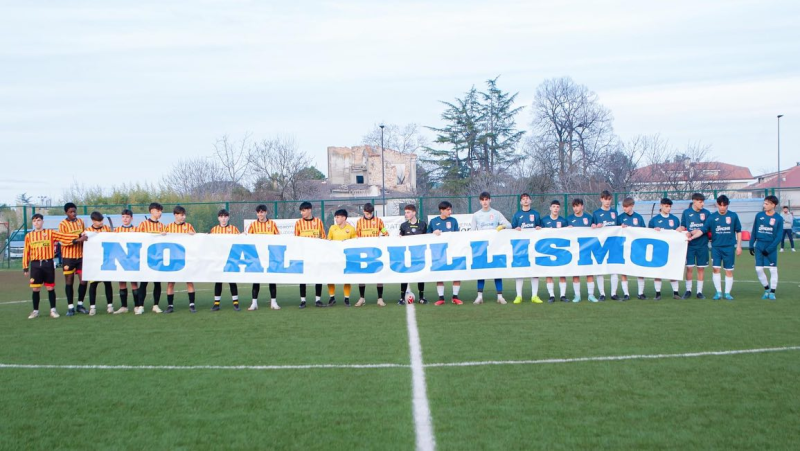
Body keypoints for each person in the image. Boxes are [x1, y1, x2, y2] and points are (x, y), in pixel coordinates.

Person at [23, 213, 84, 319]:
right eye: (34, 221)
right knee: (36, 289)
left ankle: (53, 310)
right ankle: (35, 311)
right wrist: (25, 266)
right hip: (36, 264)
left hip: (48, 263)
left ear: (42, 221)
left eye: (38, 220)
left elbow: (63, 236)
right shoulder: (29, 236)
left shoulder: (49, 233)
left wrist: (78, 236)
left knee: (50, 287)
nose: (36, 223)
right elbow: (26, 251)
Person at [695, 195, 742, 300]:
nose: (722, 208)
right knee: (716, 269)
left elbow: (738, 231)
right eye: (720, 205)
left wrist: (739, 246)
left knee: (729, 271)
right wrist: (692, 237)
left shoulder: (733, 216)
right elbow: (703, 230)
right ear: (717, 205)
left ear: (727, 205)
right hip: (716, 248)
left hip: (729, 248)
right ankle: (718, 292)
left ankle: (727, 293)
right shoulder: (712, 217)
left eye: (724, 206)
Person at [471, 192, 511, 305]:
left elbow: (509, 225)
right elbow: (471, 232)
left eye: (486, 199)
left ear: (490, 200)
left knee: (497, 271)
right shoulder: (476, 215)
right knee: (481, 271)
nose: (485, 202)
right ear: (480, 201)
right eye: (482, 200)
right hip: (482, 248)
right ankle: (479, 296)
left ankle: (500, 296)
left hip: (495, 247)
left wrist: (502, 226)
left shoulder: (496, 213)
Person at [246, 204, 281, 310]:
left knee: (272, 279)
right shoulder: (252, 225)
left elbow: (278, 238)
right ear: (257, 213)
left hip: (270, 256)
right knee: (256, 279)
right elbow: (248, 240)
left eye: (262, 212)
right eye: (258, 212)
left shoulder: (272, 224)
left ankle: (273, 302)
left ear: (266, 212)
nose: (260, 214)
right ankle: (254, 303)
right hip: (257, 257)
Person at [428, 201, 463, 306]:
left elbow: (457, 235)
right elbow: (427, 235)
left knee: (456, 273)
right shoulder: (434, 221)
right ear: (441, 210)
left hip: (452, 251)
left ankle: (455, 297)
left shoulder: (453, 221)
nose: (450, 212)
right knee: (440, 274)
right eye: (447, 210)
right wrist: (433, 233)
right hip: (438, 252)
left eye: (450, 209)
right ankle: (441, 298)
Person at [164, 206, 197, 313]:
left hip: (185, 259)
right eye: (181, 215)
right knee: (170, 283)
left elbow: (196, 241)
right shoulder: (168, 227)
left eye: (184, 215)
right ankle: (170, 306)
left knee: (189, 281)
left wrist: (194, 236)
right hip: (173, 260)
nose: (183, 217)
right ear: (175, 215)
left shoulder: (188, 226)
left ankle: (192, 305)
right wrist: (162, 236)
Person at [648, 198, 682, 300]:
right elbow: (648, 234)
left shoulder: (675, 219)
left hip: (673, 249)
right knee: (658, 271)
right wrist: (654, 231)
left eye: (670, 206)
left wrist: (680, 231)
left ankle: (676, 293)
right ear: (661, 206)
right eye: (666, 206)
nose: (668, 208)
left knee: (673, 270)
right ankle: (658, 293)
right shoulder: (654, 220)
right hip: (658, 250)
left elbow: (679, 234)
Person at [136, 202, 167, 314]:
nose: (160, 213)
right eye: (158, 210)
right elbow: (137, 238)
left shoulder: (162, 226)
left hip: (157, 258)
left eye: (161, 211)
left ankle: (156, 305)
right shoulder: (143, 224)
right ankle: (140, 306)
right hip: (145, 258)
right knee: (143, 283)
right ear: (152, 211)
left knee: (157, 282)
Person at [512, 193, 543, 304]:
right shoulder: (517, 215)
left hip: (533, 248)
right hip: (520, 247)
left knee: (534, 271)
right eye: (523, 199)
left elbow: (541, 228)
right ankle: (518, 296)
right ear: (521, 202)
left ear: (530, 200)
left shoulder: (535, 214)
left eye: (527, 199)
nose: (525, 201)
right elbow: (512, 230)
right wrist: (515, 229)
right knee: (519, 271)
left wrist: (539, 228)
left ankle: (534, 295)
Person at [355, 203, 388, 307]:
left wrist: (383, 237)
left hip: (375, 253)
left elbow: (385, 233)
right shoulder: (359, 222)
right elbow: (357, 236)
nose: (368, 215)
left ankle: (380, 298)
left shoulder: (378, 221)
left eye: (370, 213)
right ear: (363, 212)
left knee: (379, 275)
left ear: (372, 212)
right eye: (366, 213)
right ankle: (361, 298)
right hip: (364, 253)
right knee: (362, 276)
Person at [750, 196, 783, 300]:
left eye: (767, 204)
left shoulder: (779, 218)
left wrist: (769, 249)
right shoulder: (759, 216)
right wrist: (751, 244)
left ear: (773, 205)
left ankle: (772, 292)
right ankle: (766, 289)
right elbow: (754, 230)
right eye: (764, 203)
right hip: (759, 245)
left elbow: (778, 237)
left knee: (773, 270)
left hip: (771, 246)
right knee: (758, 269)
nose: (764, 205)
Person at [679, 193, 711, 299]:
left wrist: (698, 231)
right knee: (689, 268)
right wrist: (682, 229)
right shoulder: (686, 212)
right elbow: (683, 225)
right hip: (690, 245)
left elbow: (707, 228)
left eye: (703, 202)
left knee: (701, 268)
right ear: (694, 201)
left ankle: (699, 292)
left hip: (702, 245)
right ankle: (688, 290)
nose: (702, 204)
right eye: (700, 202)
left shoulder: (707, 213)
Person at [295, 202, 326, 308]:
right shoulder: (298, 223)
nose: (302, 213)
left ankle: (318, 300)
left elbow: (323, 238)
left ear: (309, 210)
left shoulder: (318, 222)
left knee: (318, 276)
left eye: (303, 210)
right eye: (301, 211)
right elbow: (296, 239)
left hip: (316, 255)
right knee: (303, 278)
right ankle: (303, 300)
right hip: (304, 255)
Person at [59, 202, 89, 316]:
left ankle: (80, 305)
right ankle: (70, 307)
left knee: (83, 280)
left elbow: (84, 234)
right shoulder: (63, 224)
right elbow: (63, 239)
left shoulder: (80, 222)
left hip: (81, 257)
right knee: (69, 281)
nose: (73, 213)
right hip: (68, 257)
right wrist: (78, 239)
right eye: (71, 212)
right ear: (66, 212)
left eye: (74, 211)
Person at [566, 198, 598, 303]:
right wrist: (567, 229)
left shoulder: (589, 218)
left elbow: (597, 231)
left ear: (582, 206)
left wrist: (595, 226)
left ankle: (591, 295)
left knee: (590, 272)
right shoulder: (569, 219)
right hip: (575, 251)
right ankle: (577, 295)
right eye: (574, 206)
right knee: (576, 273)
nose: (576, 208)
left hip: (587, 250)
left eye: (577, 206)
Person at [210, 209, 241, 310]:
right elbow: (209, 243)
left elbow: (240, 242)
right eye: (221, 216)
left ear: (228, 218)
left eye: (225, 216)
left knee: (232, 281)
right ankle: (216, 304)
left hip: (230, 259)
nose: (223, 219)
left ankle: (236, 303)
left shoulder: (234, 229)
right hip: (219, 259)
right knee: (218, 281)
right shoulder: (214, 230)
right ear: (218, 218)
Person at [84, 211, 114, 315]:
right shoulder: (88, 231)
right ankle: (92, 307)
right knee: (93, 284)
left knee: (107, 283)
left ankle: (110, 305)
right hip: (93, 261)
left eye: (102, 220)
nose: (101, 222)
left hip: (105, 260)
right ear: (93, 221)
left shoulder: (106, 228)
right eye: (98, 221)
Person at [616, 197, 646, 301]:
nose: (624, 209)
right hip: (624, 248)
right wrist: (620, 228)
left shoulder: (639, 217)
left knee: (640, 270)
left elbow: (644, 231)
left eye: (626, 207)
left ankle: (641, 293)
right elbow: (615, 232)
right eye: (623, 207)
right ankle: (626, 293)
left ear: (632, 206)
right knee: (624, 271)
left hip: (637, 248)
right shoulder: (619, 218)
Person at [591, 190, 618, 301]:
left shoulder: (615, 212)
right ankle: (602, 294)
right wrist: (594, 226)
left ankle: (613, 293)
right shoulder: (596, 213)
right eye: (605, 199)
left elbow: (619, 227)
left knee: (614, 269)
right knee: (600, 269)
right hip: (600, 245)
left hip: (613, 244)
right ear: (601, 199)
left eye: (609, 199)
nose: (607, 202)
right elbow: (591, 227)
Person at [398, 204, 428, 305]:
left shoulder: (423, 224)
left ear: (414, 213)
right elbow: (400, 237)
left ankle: (421, 297)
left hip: (419, 255)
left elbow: (428, 238)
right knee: (405, 276)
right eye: (405, 212)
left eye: (408, 212)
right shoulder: (403, 225)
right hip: (407, 256)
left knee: (421, 276)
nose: (406, 214)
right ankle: (402, 298)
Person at [327, 209, 357, 307]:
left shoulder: (351, 229)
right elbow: (328, 241)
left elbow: (355, 242)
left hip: (346, 258)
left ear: (344, 218)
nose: (336, 219)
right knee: (330, 276)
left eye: (338, 217)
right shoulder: (332, 228)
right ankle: (332, 297)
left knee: (347, 277)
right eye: (336, 217)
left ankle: (346, 298)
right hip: (334, 257)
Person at [541, 200, 569, 303]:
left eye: (557, 207)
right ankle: (551, 295)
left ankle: (562, 295)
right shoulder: (544, 221)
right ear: (550, 208)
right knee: (549, 273)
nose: (555, 209)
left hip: (561, 251)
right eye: (553, 206)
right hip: (548, 251)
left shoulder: (563, 221)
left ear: (559, 209)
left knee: (562, 273)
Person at [112, 209, 138, 314]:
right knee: (122, 283)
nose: (125, 219)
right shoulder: (117, 230)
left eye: (127, 217)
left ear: (131, 218)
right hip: (121, 260)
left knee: (134, 283)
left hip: (132, 260)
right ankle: (124, 306)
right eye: (123, 217)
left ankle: (137, 306)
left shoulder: (136, 230)